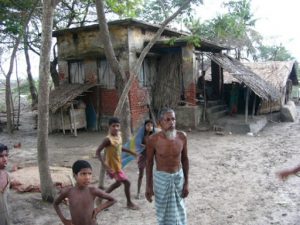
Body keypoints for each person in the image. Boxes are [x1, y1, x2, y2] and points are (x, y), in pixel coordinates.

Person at [145, 108, 189, 225]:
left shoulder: (182, 137)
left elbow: (185, 159)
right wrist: (148, 186)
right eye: (168, 120)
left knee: (180, 210)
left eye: (173, 119)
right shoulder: (153, 140)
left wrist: (186, 183)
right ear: (160, 123)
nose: (171, 123)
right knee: (163, 213)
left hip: (178, 179)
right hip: (161, 181)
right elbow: (149, 163)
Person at [54, 160, 116, 225]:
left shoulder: (92, 190)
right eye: (83, 174)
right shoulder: (68, 192)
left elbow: (113, 200)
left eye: (90, 174)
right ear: (75, 175)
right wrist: (63, 220)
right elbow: (55, 204)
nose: (87, 177)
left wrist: (98, 209)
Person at [96, 117, 139, 210]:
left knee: (118, 183)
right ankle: (129, 203)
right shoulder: (108, 139)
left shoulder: (119, 135)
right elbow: (97, 152)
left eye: (117, 126)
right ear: (109, 127)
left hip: (117, 165)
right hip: (112, 167)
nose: (115, 128)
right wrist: (105, 165)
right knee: (127, 183)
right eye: (113, 126)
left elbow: (120, 147)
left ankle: (100, 198)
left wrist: (132, 152)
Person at [136, 119, 155, 199]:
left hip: (150, 158)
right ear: (145, 126)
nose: (149, 127)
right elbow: (138, 144)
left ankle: (151, 190)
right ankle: (138, 192)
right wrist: (147, 146)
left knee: (150, 175)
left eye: (151, 125)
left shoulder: (154, 135)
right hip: (142, 157)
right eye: (148, 125)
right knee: (141, 174)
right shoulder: (142, 134)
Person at [0, 143, 10, 225]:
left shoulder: (7, 176)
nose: (5, 159)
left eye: (6, 155)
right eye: (1, 156)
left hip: (6, 219)